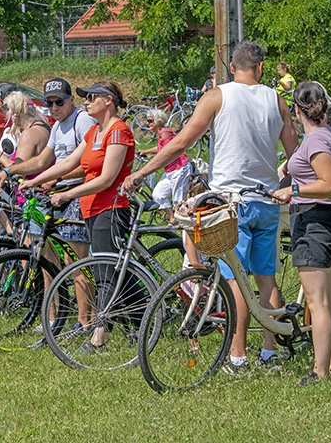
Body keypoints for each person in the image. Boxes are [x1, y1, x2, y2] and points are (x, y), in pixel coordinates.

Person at [123, 41, 299, 372]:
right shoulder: (276, 100)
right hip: (268, 202)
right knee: (266, 279)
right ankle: (270, 351)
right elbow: (294, 151)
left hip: (231, 204)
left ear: (231, 68)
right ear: (261, 68)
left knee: (235, 281)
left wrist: (144, 171)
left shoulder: (217, 96)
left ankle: (237, 357)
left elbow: (182, 142)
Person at [21, 81, 135, 349]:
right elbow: (69, 162)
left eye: (92, 97)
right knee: (115, 271)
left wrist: (67, 194)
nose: (86, 101)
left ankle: (99, 335)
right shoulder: (95, 131)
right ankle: (142, 322)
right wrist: (34, 180)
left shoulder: (118, 131)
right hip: (91, 208)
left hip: (111, 207)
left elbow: (107, 179)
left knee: (106, 273)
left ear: (108, 101)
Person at [0, 77, 96, 326]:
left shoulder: (81, 121)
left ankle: (85, 323)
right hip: (57, 195)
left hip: (78, 194)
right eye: (49, 103)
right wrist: (12, 173)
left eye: (59, 101)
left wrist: (54, 178)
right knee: (48, 259)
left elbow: (89, 163)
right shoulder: (57, 126)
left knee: (76, 263)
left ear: (71, 100)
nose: (54, 107)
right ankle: (57, 316)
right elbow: (41, 164)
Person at [272, 82, 331, 385]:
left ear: (297, 109)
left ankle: (319, 371)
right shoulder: (327, 134)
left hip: (315, 221)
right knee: (327, 300)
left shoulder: (316, 142)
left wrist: (294, 189)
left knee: (317, 303)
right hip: (323, 220)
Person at [136, 108, 192, 225]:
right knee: (158, 194)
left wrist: (152, 168)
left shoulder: (164, 132)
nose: (148, 123)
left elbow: (167, 153)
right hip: (170, 170)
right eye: (148, 121)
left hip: (179, 168)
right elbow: (160, 149)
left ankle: (184, 225)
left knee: (179, 201)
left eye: (150, 120)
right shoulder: (161, 134)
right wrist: (146, 152)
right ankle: (173, 217)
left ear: (158, 120)